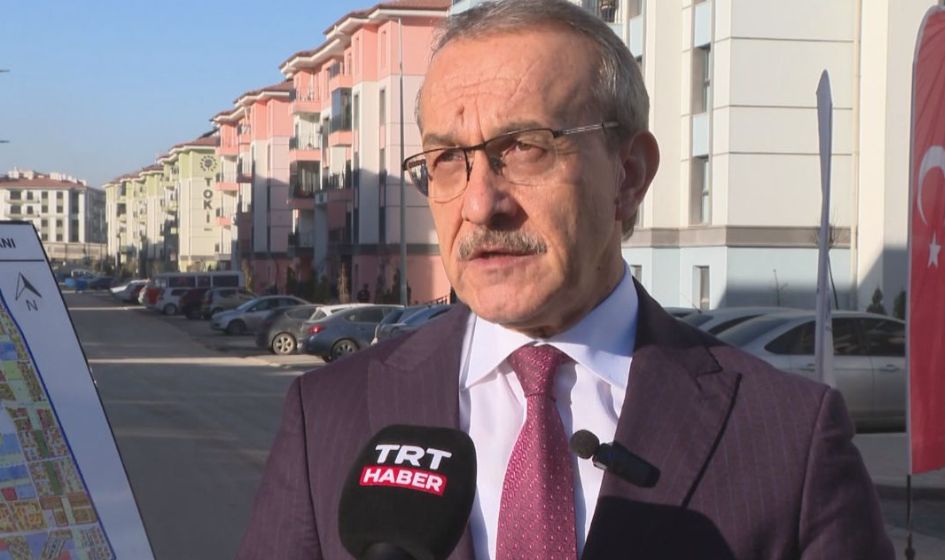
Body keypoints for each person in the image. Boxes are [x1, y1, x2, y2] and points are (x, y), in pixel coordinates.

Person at [236, 1, 894, 559]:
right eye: (447, 159)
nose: (479, 204)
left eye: (524, 148)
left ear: (628, 175)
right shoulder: (328, 413)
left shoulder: (788, 436)